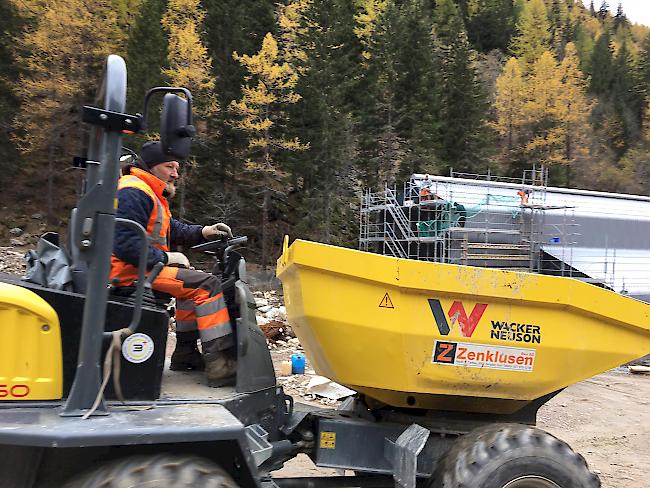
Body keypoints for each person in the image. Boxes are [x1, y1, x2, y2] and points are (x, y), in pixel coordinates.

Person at [110, 141, 237, 387]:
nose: (175, 173)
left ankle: (185, 353)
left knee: (189, 282)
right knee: (208, 286)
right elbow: (125, 245)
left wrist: (205, 231)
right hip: (129, 274)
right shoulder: (133, 191)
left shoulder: (148, 192)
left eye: (176, 167)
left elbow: (171, 229)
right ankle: (220, 364)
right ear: (151, 166)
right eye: (169, 166)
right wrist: (167, 258)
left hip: (142, 270)